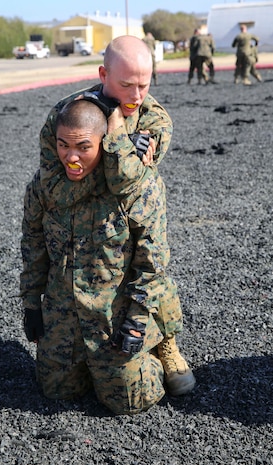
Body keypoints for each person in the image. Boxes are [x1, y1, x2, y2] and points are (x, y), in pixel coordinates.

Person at [25, 35, 196, 408]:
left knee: (148, 248)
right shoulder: (66, 116)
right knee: (56, 389)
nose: (136, 93)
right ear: (103, 74)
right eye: (125, 84)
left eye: (144, 82)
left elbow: (129, 183)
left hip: (128, 223)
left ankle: (163, 343)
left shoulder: (154, 120)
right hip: (79, 248)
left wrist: (115, 131)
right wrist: (101, 157)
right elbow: (53, 188)